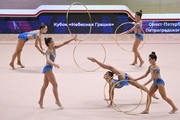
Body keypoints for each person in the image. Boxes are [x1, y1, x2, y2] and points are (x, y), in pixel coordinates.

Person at [87, 57, 158, 107]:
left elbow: (112, 91)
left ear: (109, 76)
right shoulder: (110, 81)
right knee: (138, 86)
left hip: (123, 77)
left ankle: (151, 93)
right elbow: (111, 91)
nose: (104, 75)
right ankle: (152, 93)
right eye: (105, 74)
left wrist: (111, 103)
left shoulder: (112, 80)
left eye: (106, 74)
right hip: (122, 79)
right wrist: (110, 99)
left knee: (138, 86)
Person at [38, 35, 77, 109]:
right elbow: (48, 60)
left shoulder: (54, 48)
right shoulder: (48, 51)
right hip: (47, 69)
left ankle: (40, 100)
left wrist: (72, 39)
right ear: (49, 43)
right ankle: (57, 101)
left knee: (45, 86)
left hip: (49, 69)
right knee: (55, 85)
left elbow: (64, 43)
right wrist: (54, 63)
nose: (54, 42)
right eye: (52, 41)